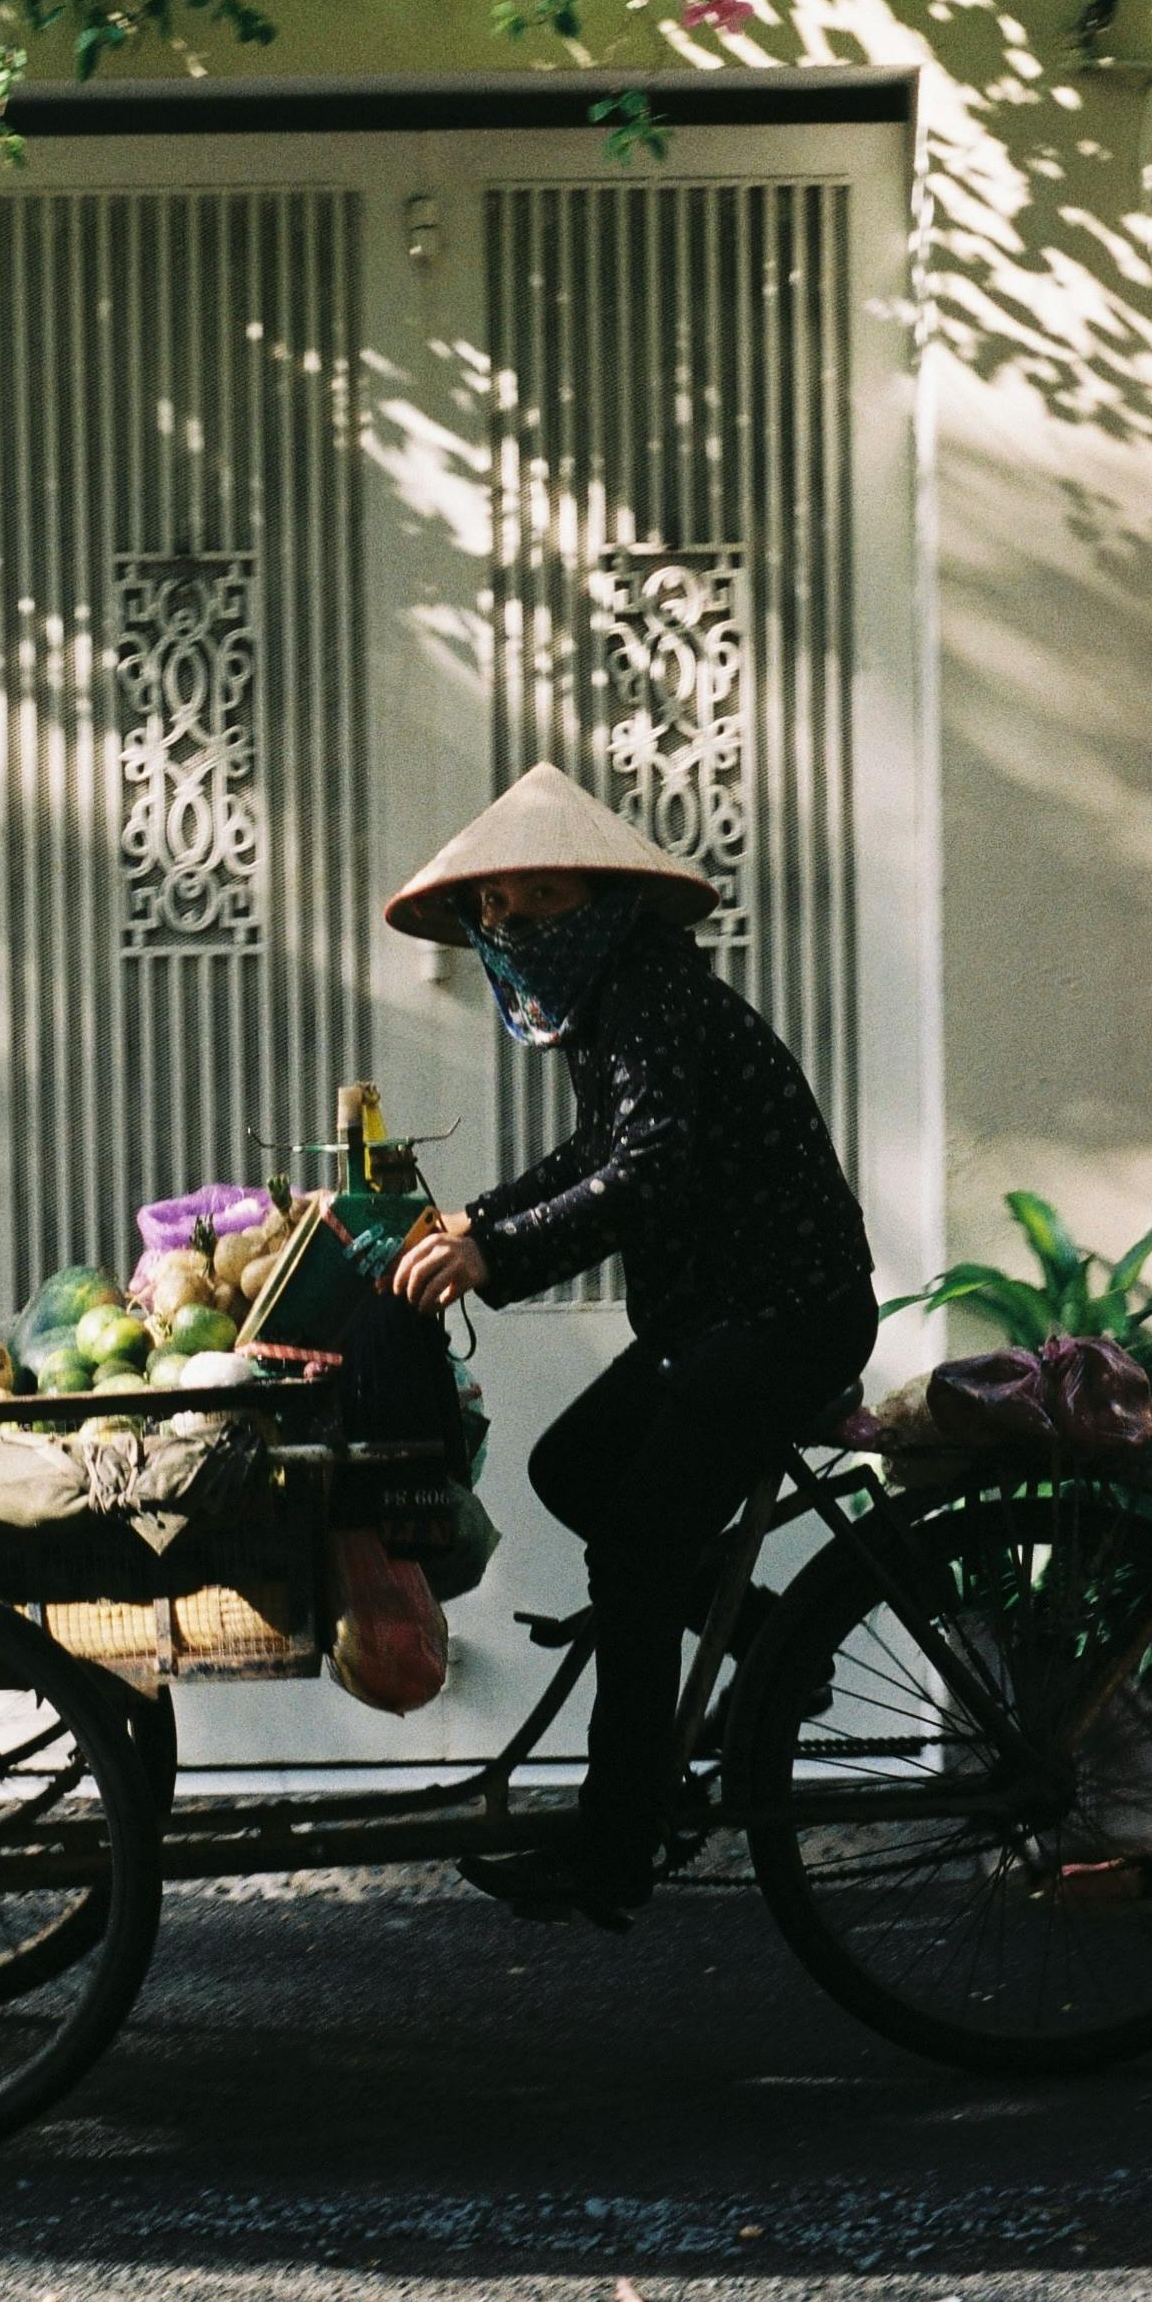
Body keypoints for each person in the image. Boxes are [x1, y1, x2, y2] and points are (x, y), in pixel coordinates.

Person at [382, 760, 878, 1927]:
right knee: (572, 1469)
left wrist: (497, 1254)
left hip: (781, 1315)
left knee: (644, 1552)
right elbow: (594, 1159)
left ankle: (617, 1840)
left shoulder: (651, 993)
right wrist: (479, 1220)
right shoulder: (616, 1007)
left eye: (537, 900)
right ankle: (774, 1641)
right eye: (494, 910)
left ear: (600, 902)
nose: (510, 926)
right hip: (718, 1320)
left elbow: (643, 1173)